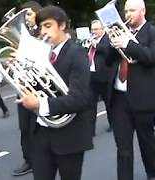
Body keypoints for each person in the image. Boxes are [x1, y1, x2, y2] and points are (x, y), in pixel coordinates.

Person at [18, 5, 94, 180]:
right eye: (41, 27)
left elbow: (80, 98)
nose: (43, 31)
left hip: (69, 135)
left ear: (62, 26)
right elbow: (36, 85)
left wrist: (40, 104)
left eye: (48, 25)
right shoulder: (41, 53)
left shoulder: (77, 53)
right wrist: (19, 70)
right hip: (41, 133)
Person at [106, 0, 155, 179]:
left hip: (143, 97)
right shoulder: (119, 32)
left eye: (132, 10)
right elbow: (108, 61)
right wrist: (111, 44)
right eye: (125, 11)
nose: (128, 14)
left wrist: (128, 44)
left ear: (143, 11)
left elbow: (152, 57)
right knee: (123, 147)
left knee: (146, 141)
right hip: (119, 97)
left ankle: (152, 174)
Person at [11, 0, 42, 177]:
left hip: (39, 87)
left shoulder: (44, 33)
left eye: (29, 14)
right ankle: (28, 159)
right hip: (23, 85)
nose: (27, 18)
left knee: (36, 126)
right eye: (24, 15)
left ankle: (40, 159)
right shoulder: (22, 35)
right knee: (24, 127)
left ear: (38, 13)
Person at [87, 20, 114, 134]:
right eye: (92, 29)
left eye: (96, 29)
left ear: (102, 29)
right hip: (92, 77)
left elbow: (108, 50)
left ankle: (113, 124)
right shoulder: (90, 40)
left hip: (105, 77)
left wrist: (96, 45)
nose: (94, 32)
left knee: (109, 103)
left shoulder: (107, 39)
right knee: (91, 105)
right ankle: (90, 130)